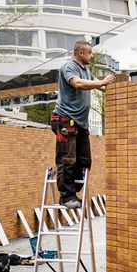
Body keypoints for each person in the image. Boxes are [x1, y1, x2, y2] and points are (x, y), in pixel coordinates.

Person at [51, 41, 115, 208]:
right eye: (89, 53)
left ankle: (73, 191)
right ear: (80, 53)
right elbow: (78, 83)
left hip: (80, 123)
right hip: (65, 119)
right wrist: (102, 82)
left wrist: (120, 88)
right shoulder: (69, 67)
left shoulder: (86, 70)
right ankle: (66, 196)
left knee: (85, 161)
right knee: (68, 159)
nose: (91, 56)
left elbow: (99, 85)